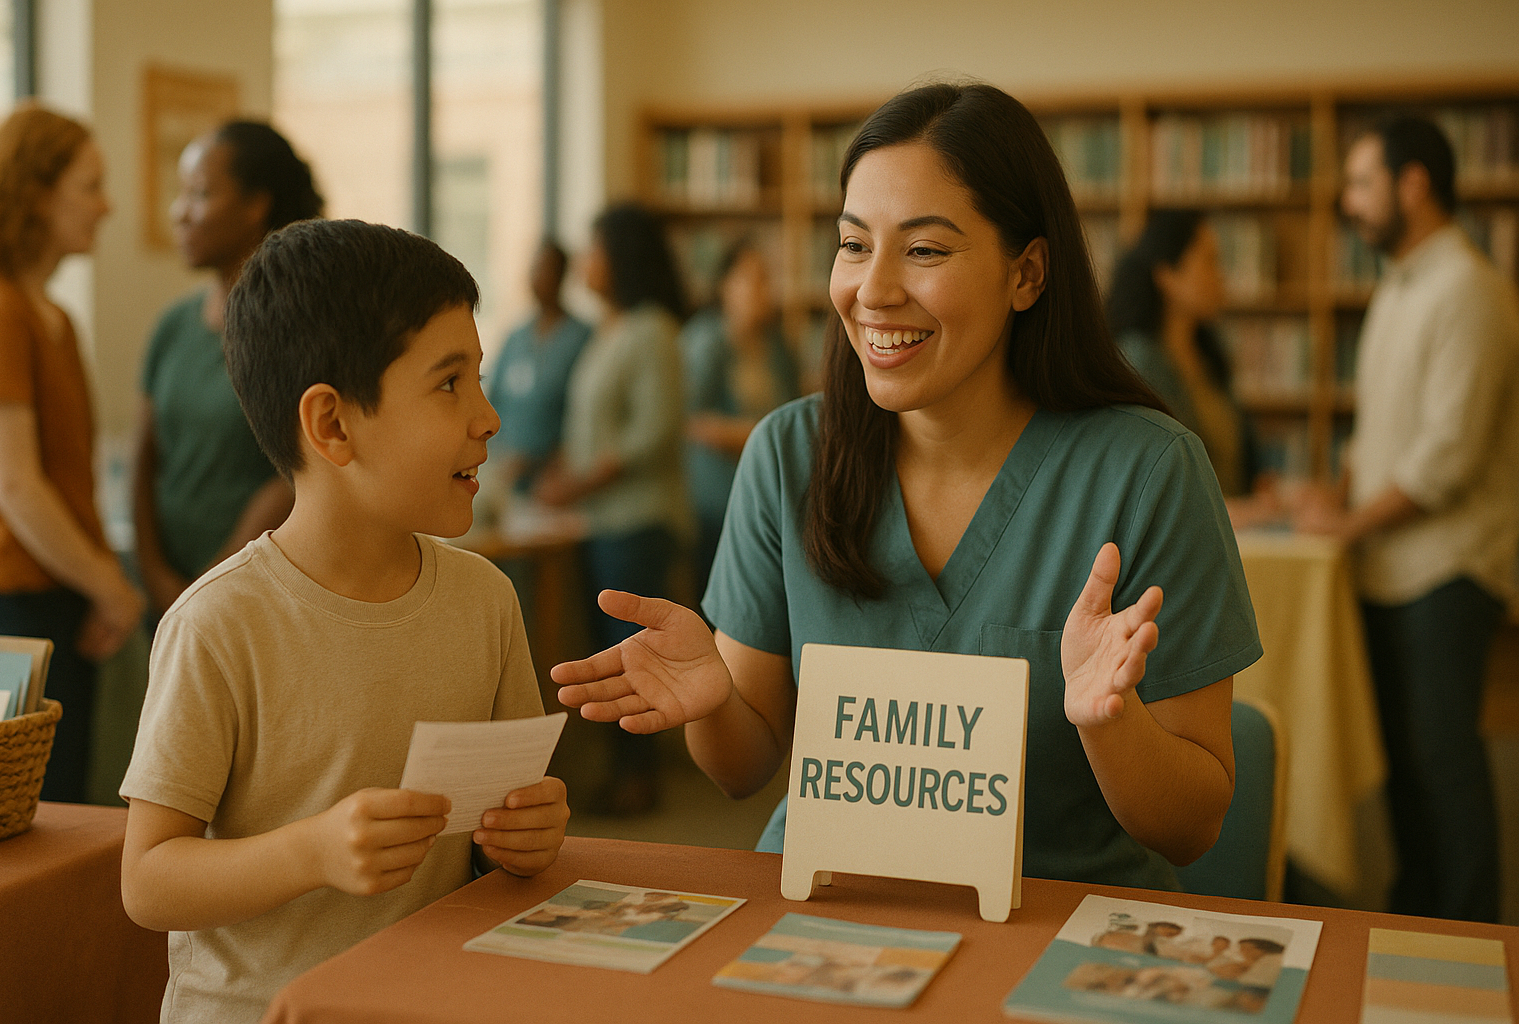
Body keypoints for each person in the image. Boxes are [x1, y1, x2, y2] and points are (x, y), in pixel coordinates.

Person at [552, 83, 1260, 888]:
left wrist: (1109, 724)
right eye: (854, 245)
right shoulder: (788, 452)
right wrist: (714, 703)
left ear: (1026, 273)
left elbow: (1192, 827)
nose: (873, 290)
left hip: (1051, 928)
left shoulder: (1148, 472)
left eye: (924, 250)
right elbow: (740, 771)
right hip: (827, 921)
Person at [119, 220, 570, 1023]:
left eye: (481, 379)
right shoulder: (218, 623)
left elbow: (506, 816)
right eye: (449, 383)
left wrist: (528, 832)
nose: (489, 416)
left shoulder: (487, 599)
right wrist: (311, 851)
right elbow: (148, 879)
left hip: (429, 1002)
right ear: (331, 425)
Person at [1293, 115, 1519, 922]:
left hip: (1447, 572)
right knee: (1403, 766)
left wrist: (1347, 527)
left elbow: (1445, 459)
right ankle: (1416, 920)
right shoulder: (1397, 286)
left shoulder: (1471, 290)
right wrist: (1338, 492)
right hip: (1388, 566)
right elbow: (1378, 430)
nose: (1348, 202)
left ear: (1413, 184)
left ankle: (1473, 937)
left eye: (1361, 182)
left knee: (1445, 765)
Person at [0, 104, 143, 802]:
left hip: (57, 594)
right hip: (14, 606)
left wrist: (95, 582)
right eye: (91, 186)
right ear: (38, 192)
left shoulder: (52, 316)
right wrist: (110, 585)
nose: (106, 207)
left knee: (67, 803)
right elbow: (14, 482)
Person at [535, 202, 690, 816]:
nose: (585, 263)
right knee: (605, 655)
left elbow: (652, 431)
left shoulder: (652, 329)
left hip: (637, 522)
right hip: (599, 521)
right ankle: (622, 772)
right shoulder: (610, 329)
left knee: (632, 659)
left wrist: (579, 481)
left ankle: (639, 778)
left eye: (595, 249)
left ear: (620, 258)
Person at [134, 121, 322, 618]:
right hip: (165, 589)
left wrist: (211, 583)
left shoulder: (300, 328)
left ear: (256, 204)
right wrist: (155, 574)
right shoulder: (173, 325)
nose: (180, 212)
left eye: (199, 194)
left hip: (259, 587)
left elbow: (294, 471)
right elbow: (144, 461)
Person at [1106, 209, 1279, 528]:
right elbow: (1163, 490)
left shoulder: (1209, 356)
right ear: (1167, 276)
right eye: (1209, 261)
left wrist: (1266, 493)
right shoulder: (1139, 361)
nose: (1221, 276)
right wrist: (1260, 511)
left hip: (1237, 531)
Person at [678, 238, 801, 599]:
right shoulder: (705, 341)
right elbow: (689, 419)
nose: (765, 289)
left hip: (773, 498)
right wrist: (756, 434)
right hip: (714, 505)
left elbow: (795, 415)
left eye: (768, 278)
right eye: (753, 278)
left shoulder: (778, 346)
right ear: (725, 284)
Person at [484, 237, 591, 492]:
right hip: (507, 474)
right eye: (534, 268)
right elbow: (493, 398)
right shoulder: (516, 338)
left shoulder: (581, 338)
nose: (537, 277)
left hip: (556, 478)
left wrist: (545, 459)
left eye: (546, 269)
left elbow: (582, 411)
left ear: (563, 276)